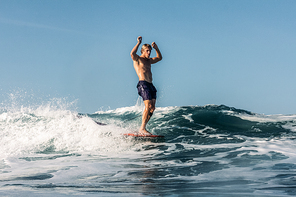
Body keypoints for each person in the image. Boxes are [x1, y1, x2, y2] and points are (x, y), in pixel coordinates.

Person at [130, 36, 162, 135]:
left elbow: (160, 58)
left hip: (150, 85)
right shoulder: (138, 59)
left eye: (150, 51)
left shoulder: (149, 61)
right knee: (148, 106)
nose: (149, 53)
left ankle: (142, 127)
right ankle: (142, 128)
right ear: (142, 51)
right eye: (147, 51)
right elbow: (132, 53)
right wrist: (138, 43)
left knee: (152, 108)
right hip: (143, 84)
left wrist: (156, 48)